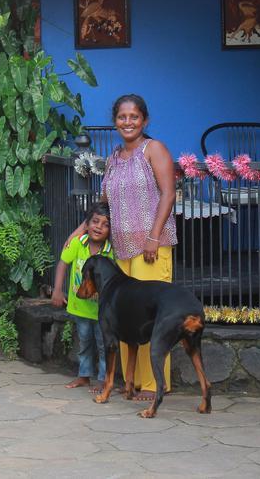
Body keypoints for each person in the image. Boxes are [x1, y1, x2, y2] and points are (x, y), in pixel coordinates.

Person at [63, 94, 177, 401]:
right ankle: (133, 383)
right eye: (122, 117)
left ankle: (154, 385)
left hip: (152, 248)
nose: (128, 122)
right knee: (126, 317)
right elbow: (104, 203)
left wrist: (153, 237)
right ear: (115, 121)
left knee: (153, 317)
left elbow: (168, 195)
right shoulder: (113, 158)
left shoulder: (154, 150)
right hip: (122, 251)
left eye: (134, 117)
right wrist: (78, 231)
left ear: (145, 120)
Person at [52, 202, 114, 392]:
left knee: (103, 345)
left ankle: (104, 380)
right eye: (95, 221)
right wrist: (57, 290)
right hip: (80, 307)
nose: (99, 227)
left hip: (101, 310)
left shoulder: (111, 251)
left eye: (105, 224)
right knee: (84, 342)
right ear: (86, 224)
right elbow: (63, 263)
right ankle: (84, 375)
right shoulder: (79, 243)